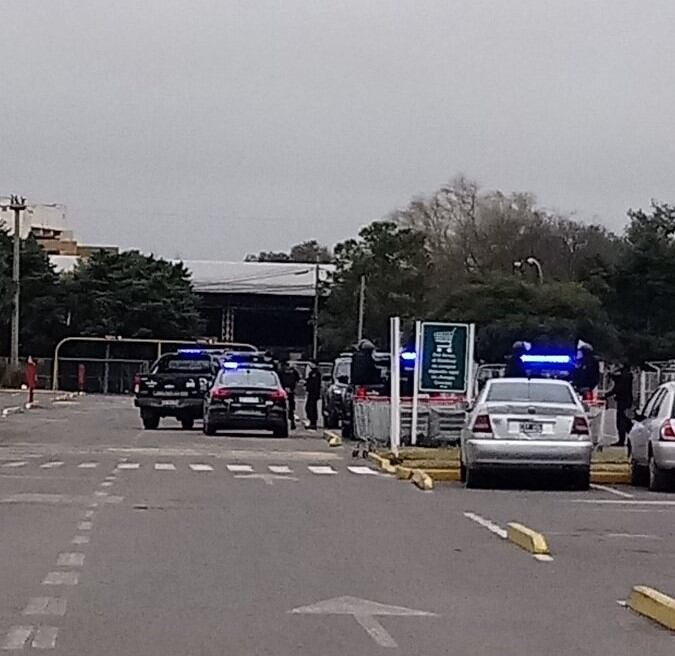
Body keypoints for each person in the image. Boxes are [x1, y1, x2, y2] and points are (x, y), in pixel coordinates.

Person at [605, 364, 633, 447]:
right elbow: (617, 382)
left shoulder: (625, 376)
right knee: (624, 421)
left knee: (622, 422)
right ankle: (625, 439)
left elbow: (618, 388)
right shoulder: (625, 375)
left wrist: (606, 395)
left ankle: (623, 440)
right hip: (625, 401)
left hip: (624, 402)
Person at [278, 360, 301, 430]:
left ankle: (292, 423)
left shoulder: (293, 372)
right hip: (283, 392)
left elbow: (298, 379)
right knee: (285, 408)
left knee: (291, 409)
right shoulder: (280, 373)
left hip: (290, 392)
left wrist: (292, 388)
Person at [304, 360, 322, 430]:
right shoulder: (311, 373)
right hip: (311, 393)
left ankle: (313, 423)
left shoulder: (316, 373)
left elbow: (315, 384)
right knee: (309, 407)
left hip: (314, 393)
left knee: (312, 408)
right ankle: (312, 422)